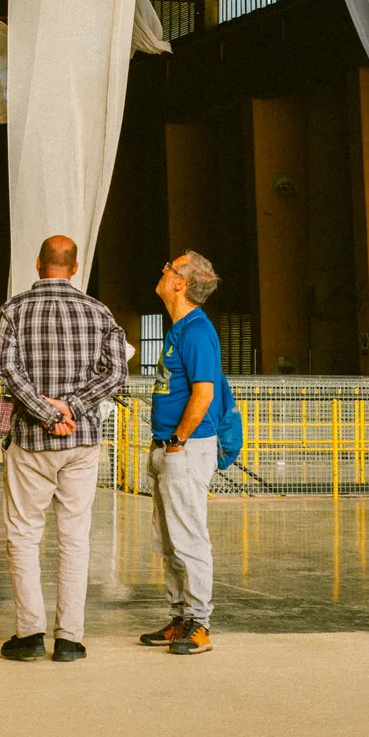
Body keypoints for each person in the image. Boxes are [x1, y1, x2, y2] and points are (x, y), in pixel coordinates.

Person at [0, 233, 128, 663]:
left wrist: (46, 412)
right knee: (74, 538)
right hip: (82, 443)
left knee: (24, 534)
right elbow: (117, 374)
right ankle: (69, 639)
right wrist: (71, 407)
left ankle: (29, 634)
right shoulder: (100, 312)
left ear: (38, 264)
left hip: (31, 444)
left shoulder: (13, 309)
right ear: (74, 268)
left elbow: (9, 371)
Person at [140, 250, 222, 657]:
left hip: (183, 450)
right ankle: (180, 617)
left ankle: (200, 623)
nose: (162, 269)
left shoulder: (196, 331)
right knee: (168, 539)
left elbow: (204, 393)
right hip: (166, 447)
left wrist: (178, 441)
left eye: (168, 266)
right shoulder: (176, 330)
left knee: (188, 536)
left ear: (180, 283)